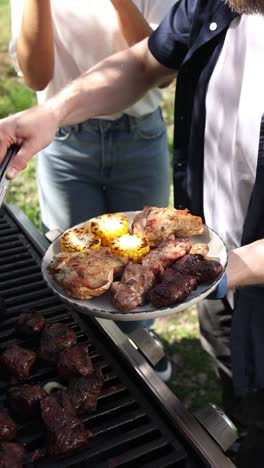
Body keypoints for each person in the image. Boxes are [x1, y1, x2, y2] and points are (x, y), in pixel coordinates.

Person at [1, 0, 264, 464]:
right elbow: (145, 61)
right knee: (237, 387)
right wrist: (54, 111)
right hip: (217, 263)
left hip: (237, 274)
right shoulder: (220, 4)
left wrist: (216, 271)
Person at [8, 0, 175, 382]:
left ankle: (139, 348)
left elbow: (162, 71)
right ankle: (88, 359)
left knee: (142, 256)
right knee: (76, 263)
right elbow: (36, 77)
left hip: (138, 134)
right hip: (63, 141)